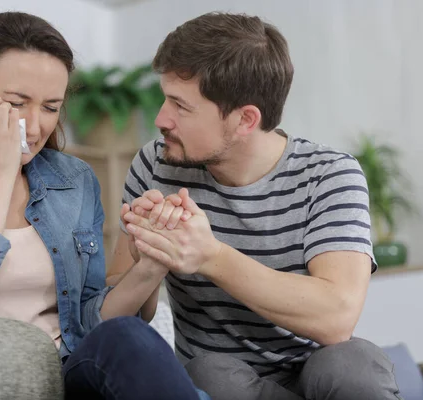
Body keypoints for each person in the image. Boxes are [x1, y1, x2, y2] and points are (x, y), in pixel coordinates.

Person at [0, 11, 209, 400]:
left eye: (51, 107)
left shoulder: (74, 179)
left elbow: (90, 322)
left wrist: (150, 266)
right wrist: (0, 175)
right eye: (16, 103)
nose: (34, 127)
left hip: (70, 371)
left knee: (128, 337)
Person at [108, 12, 402, 400]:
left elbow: (336, 318)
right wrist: (149, 259)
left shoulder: (329, 174)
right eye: (166, 98)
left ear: (245, 119)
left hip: (322, 379)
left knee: (351, 365)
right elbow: (116, 320)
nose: (162, 118)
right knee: (211, 374)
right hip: (223, 384)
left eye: (181, 106)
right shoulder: (156, 165)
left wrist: (208, 255)